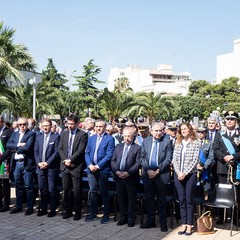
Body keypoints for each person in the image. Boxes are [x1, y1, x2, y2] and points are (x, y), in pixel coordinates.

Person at [140, 122, 173, 232]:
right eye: (156, 130)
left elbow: (168, 159)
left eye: (160, 130)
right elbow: (142, 158)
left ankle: (163, 223)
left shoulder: (167, 142)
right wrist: (148, 170)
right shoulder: (146, 141)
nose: (158, 133)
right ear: (151, 131)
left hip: (161, 174)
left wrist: (157, 170)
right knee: (149, 199)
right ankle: (150, 221)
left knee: (161, 200)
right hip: (148, 174)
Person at [85, 119, 115, 224]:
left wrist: (97, 166)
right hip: (91, 169)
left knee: (103, 192)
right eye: (97, 126)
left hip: (103, 170)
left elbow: (109, 155)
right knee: (93, 191)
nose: (98, 128)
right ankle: (93, 213)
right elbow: (87, 152)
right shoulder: (92, 138)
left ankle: (106, 215)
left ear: (105, 127)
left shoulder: (110, 139)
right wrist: (90, 165)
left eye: (100, 126)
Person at [172, 122, 199, 236]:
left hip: (190, 175)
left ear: (190, 130)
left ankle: (189, 224)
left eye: (185, 129)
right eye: (181, 129)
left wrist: (185, 172)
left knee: (189, 200)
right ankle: (183, 223)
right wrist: (178, 172)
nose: (183, 131)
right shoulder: (177, 142)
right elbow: (174, 158)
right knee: (181, 200)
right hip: (178, 175)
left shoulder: (195, 143)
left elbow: (194, 160)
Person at [58, 114, 88, 220]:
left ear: (77, 123)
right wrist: (66, 160)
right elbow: (60, 148)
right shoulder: (64, 133)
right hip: (65, 166)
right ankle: (67, 210)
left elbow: (80, 151)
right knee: (66, 190)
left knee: (76, 191)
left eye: (72, 124)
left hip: (75, 166)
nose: (69, 126)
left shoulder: (82, 135)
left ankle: (77, 212)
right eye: (68, 124)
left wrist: (70, 160)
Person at [214, 110, 240, 225]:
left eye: (232, 119)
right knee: (222, 192)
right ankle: (221, 217)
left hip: (236, 168)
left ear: (236, 121)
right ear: (225, 120)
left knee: (236, 194)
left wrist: (233, 156)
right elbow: (216, 149)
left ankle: (236, 218)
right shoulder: (219, 134)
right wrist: (224, 157)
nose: (230, 121)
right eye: (228, 119)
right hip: (223, 168)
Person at [111, 127, 140, 227]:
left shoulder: (137, 148)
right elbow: (113, 160)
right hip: (119, 177)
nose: (127, 138)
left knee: (131, 199)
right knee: (121, 198)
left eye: (129, 136)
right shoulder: (118, 146)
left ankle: (131, 218)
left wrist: (128, 173)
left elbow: (137, 163)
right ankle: (123, 217)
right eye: (125, 136)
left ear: (133, 137)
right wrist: (117, 171)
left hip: (130, 178)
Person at [6, 117, 36, 215]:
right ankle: (18, 206)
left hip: (26, 163)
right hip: (16, 163)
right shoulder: (14, 134)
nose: (22, 126)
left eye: (24, 124)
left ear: (27, 124)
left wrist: (15, 149)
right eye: (20, 124)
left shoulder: (31, 134)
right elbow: (8, 145)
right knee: (18, 185)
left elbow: (28, 147)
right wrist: (19, 144)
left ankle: (29, 207)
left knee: (28, 186)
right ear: (18, 125)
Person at [34, 118, 60, 217]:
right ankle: (43, 208)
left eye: (47, 125)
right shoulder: (38, 137)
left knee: (52, 189)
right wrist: (38, 163)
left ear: (50, 126)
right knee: (42, 189)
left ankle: (52, 210)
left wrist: (47, 163)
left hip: (51, 167)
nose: (45, 127)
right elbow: (35, 151)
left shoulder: (56, 137)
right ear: (41, 126)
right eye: (43, 125)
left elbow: (56, 152)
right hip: (40, 167)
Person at [196, 126, 214, 201]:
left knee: (205, 190)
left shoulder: (209, 143)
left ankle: (205, 210)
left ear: (205, 133)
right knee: (195, 191)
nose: (200, 134)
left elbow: (211, 157)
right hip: (194, 169)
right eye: (199, 132)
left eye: (202, 132)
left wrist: (203, 166)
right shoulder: (193, 142)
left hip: (205, 170)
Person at [0, 115, 13, 212]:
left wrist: (2, 158)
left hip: (4, 163)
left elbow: (10, 148)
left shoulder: (8, 132)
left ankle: (6, 204)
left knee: (5, 183)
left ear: (2, 121)